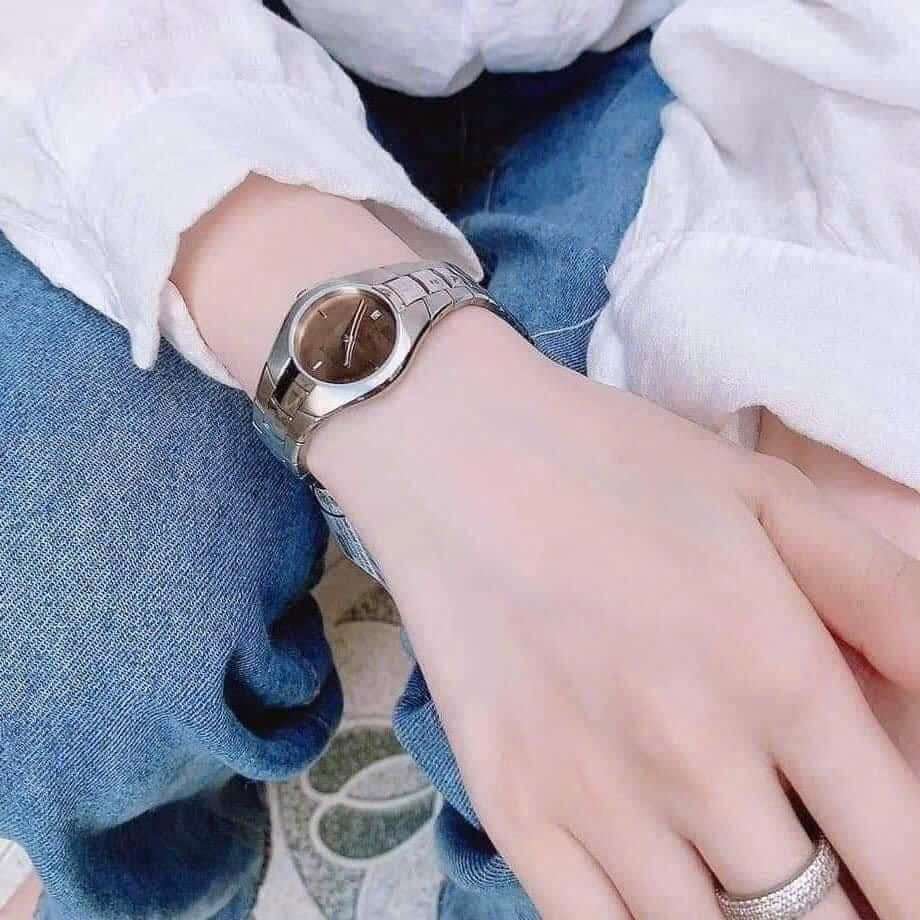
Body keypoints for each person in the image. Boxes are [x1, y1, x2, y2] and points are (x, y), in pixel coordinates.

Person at [2, 2, 919, 919]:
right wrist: (412, 393)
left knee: (675, 749)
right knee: (68, 642)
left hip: (736, 52)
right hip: (142, 41)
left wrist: (840, 369)